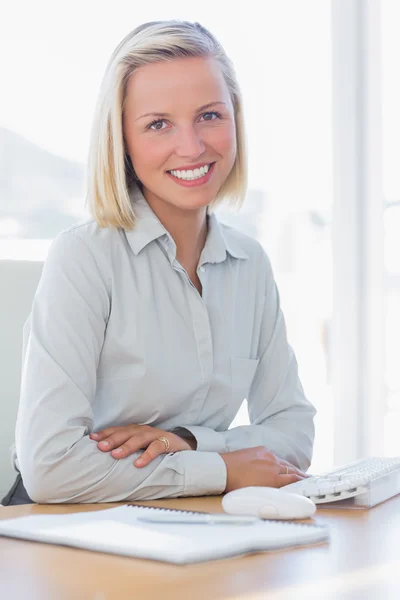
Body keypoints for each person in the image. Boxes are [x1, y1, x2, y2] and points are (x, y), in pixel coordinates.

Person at [2, 20, 316, 506]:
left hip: (186, 520)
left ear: (236, 119)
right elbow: (49, 468)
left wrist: (189, 442)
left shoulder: (250, 264)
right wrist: (222, 466)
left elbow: (293, 434)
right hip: (62, 526)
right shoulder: (84, 257)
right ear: (121, 140)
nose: (191, 147)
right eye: (158, 124)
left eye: (210, 115)